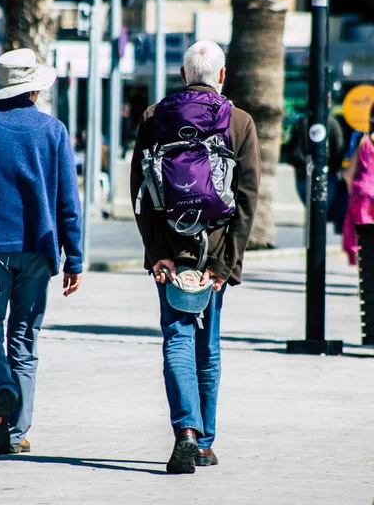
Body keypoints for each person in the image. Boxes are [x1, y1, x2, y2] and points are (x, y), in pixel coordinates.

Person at [130, 40, 260, 474]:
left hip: (172, 252)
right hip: (214, 255)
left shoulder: (154, 117)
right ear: (221, 76)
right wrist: (227, 265)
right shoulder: (239, 121)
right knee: (209, 346)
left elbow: (140, 194)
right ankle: (203, 443)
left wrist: (157, 255)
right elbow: (246, 200)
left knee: (178, 338)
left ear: (184, 76)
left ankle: (184, 431)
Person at [0, 48, 83, 456]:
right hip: (38, 249)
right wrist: (75, 258)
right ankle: (15, 432)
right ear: (35, 90)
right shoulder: (53, 131)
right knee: (24, 338)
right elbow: (68, 202)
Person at [283, 109, 344, 208]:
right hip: (322, 173)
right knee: (319, 208)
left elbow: (290, 148)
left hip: (305, 173)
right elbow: (339, 147)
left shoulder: (301, 123)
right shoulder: (332, 123)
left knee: (313, 208)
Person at [342, 105, 374, 265]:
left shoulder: (365, 141)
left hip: (362, 195)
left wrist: (354, 192)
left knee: (363, 241)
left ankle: (365, 281)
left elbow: (348, 174)